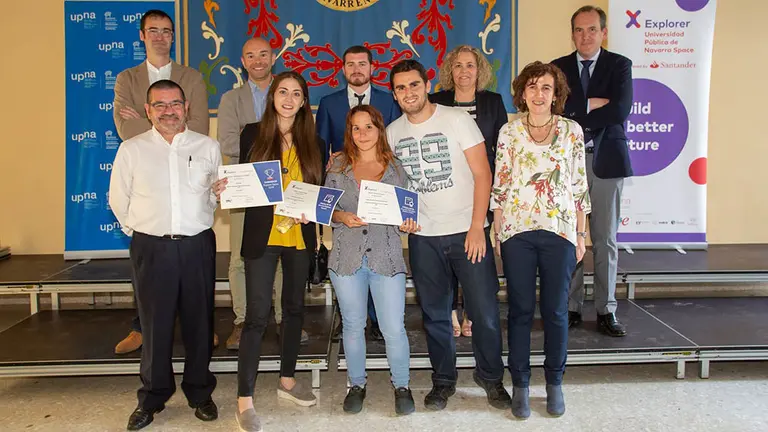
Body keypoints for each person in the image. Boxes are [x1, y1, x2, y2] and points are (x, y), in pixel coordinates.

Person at [386, 60, 510, 411]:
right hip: (424, 238)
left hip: (466, 232)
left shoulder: (457, 119)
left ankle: (490, 377)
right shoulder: (393, 132)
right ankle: (443, 380)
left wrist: (476, 227)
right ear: (394, 94)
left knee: (484, 313)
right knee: (435, 315)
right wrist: (403, 218)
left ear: (426, 84)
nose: (408, 93)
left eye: (413, 85)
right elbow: (397, 185)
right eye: (400, 88)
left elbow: (483, 175)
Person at [214, 71, 323, 432]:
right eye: (282, 92)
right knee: (257, 316)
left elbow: (317, 193)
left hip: (298, 237)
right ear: (272, 97)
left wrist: (316, 211)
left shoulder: (315, 142)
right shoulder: (252, 133)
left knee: (293, 311)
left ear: (304, 101)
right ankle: (244, 399)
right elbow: (243, 182)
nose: (289, 99)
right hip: (263, 235)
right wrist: (226, 188)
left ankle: (288, 381)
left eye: (296, 93)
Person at [109, 79, 221, 430]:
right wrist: (142, 233)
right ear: (148, 111)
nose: (168, 110)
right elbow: (118, 199)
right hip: (151, 247)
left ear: (186, 107)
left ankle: (200, 392)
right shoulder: (132, 149)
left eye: (175, 103)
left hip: (196, 245)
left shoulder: (208, 146)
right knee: (154, 326)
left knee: (199, 323)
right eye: (160, 105)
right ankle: (153, 397)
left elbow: (215, 198)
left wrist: (221, 194)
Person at [492, 61, 590, 419]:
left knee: (555, 312)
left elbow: (580, 187)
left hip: (560, 232)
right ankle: (520, 384)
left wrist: (581, 233)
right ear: (522, 93)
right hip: (517, 232)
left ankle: (554, 383)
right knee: (519, 311)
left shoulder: (572, 131)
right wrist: (498, 229)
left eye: (545, 87)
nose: (538, 94)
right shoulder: (509, 133)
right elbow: (500, 184)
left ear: (556, 94)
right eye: (531, 87)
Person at [112, 9, 213, 355]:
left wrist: (147, 117)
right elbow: (125, 132)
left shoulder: (192, 76)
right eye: (152, 31)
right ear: (142, 35)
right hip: (151, 211)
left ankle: (197, 332)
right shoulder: (127, 78)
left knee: (193, 287)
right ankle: (142, 328)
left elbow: (198, 127)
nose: (160, 36)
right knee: (151, 285)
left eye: (166, 31)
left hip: (188, 177)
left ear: (173, 36)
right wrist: (159, 126)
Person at [325, 105, 418, 415]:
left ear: (380, 129)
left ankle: (402, 385)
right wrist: (342, 216)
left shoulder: (397, 168)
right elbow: (326, 209)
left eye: (368, 127)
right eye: (356, 128)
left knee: (394, 327)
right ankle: (356, 384)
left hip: (387, 257)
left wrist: (409, 222)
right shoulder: (337, 165)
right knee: (352, 326)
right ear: (349, 132)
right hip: (346, 257)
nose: (362, 134)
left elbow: (407, 211)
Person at [217, 37, 308, 350]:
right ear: (243, 61)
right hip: (248, 188)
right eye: (250, 55)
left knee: (285, 252)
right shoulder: (231, 99)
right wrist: (263, 152)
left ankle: (284, 319)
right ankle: (243, 320)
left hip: (289, 187)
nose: (258, 60)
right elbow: (229, 142)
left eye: (263, 55)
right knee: (243, 254)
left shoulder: (285, 90)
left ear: (273, 58)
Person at [552, 5, 633, 337]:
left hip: (606, 162)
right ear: (572, 33)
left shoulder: (619, 65)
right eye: (579, 30)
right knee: (571, 237)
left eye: (591, 29)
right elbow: (556, 111)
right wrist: (591, 104)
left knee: (604, 240)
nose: (585, 36)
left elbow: (621, 109)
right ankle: (571, 307)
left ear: (604, 32)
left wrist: (577, 111)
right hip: (568, 164)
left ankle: (605, 310)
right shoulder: (557, 67)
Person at [316, 45, 402, 341]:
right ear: (342, 69)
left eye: (361, 64)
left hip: (380, 185)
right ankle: (351, 318)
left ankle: (378, 320)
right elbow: (321, 146)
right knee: (349, 254)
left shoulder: (389, 102)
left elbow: (393, 144)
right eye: (350, 64)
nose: (356, 69)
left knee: (378, 251)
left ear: (372, 67)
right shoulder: (328, 103)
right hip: (347, 186)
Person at [429, 44, 508, 339]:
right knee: (447, 250)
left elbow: (501, 150)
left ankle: (473, 311)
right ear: (450, 70)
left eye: (470, 65)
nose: (464, 71)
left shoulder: (493, 102)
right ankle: (450, 309)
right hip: (445, 187)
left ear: (480, 70)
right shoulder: (436, 100)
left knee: (476, 250)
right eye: (458, 65)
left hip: (481, 185)